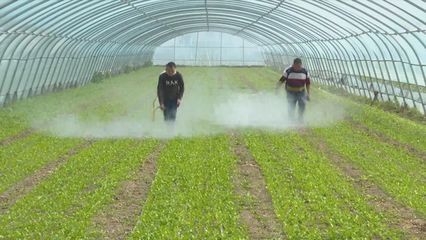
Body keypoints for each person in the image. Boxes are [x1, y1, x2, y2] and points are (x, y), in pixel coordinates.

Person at [276, 58, 311, 122]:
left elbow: (308, 83)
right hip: (290, 92)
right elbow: (281, 80)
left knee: (302, 104)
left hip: (301, 92)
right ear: (293, 65)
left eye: (299, 66)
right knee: (291, 105)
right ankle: (291, 119)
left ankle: (300, 118)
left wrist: (308, 94)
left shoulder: (305, 72)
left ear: (301, 65)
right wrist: (277, 88)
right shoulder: (288, 71)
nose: (297, 67)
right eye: (296, 66)